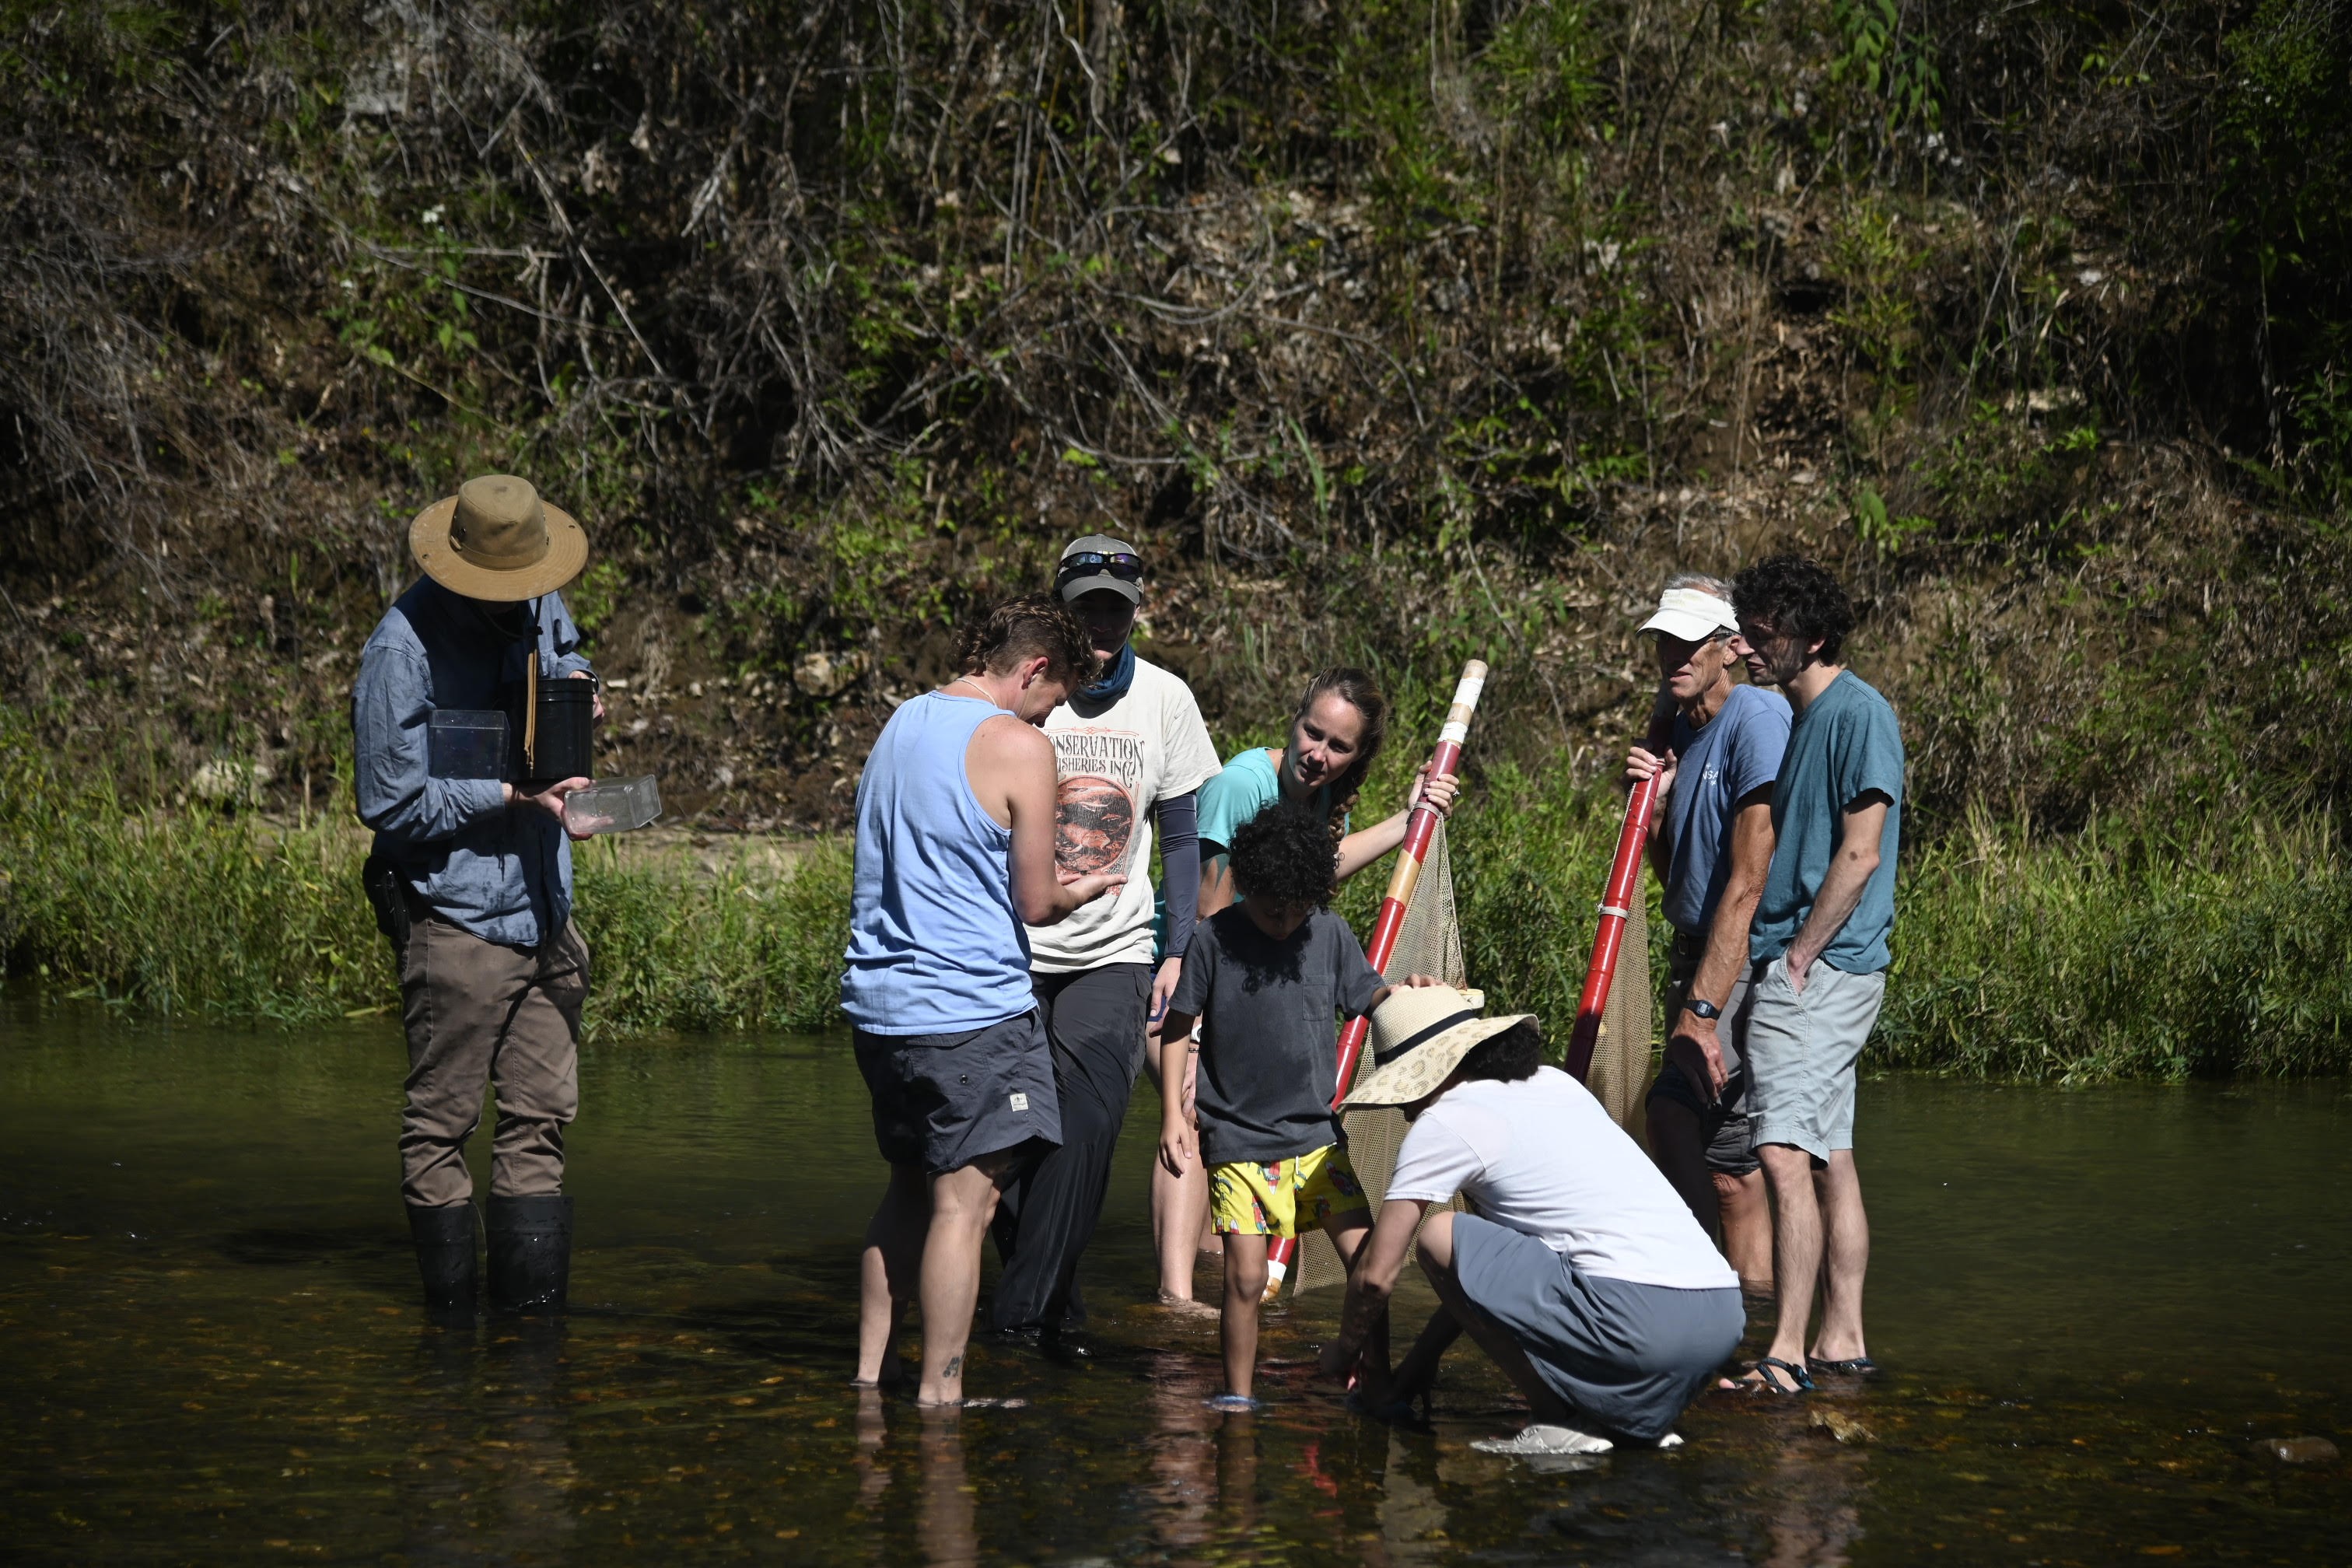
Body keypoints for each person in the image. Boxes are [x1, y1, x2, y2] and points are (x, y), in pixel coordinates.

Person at [843, 593, 1125, 1406]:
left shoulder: (903, 721)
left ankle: (872, 1377)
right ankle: (942, 1395)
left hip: (880, 1010)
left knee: (906, 1189)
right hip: (967, 1012)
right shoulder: (1019, 744)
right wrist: (1083, 890)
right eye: (1056, 697)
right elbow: (1035, 903)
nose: (1052, 716)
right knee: (965, 1207)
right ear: (1035, 669)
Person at [352, 474, 600, 1319]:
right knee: (441, 1128)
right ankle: (450, 1340)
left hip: (545, 915)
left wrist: (580, 690)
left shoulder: (540, 596)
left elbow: (567, 652)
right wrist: (506, 795)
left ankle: (530, 1344)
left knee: (541, 1123)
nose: (525, 596)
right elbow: (387, 802)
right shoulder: (400, 651)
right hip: (455, 918)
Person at [1148, 667, 1461, 1305]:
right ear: (1294, 721)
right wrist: (1204, 1041)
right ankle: (1175, 1302)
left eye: (1338, 746)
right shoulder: (1243, 785)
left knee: (1234, 1170)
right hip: (1179, 978)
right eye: (1312, 733)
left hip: (1254, 978)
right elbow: (1209, 922)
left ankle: (1218, 1287)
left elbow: (1305, 879)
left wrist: (1409, 820)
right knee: (1196, 1113)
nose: (1318, 754)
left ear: (1357, 756)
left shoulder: (1319, 796)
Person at [1321, 985, 1744, 1455]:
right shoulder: (1555, 1083)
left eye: (1403, 1089)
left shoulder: (1444, 1122)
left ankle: (1557, 1417)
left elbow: (1376, 1277)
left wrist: (1345, 1351)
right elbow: (1479, 1284)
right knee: (1488, 1248)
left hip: (1639, 1323)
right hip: (1719, 1318)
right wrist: (1418, 1367)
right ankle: (1628, 1420)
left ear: (1431, 1073)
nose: (1402, 1111)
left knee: (1438, 1234)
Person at [988, 536, 1220, 1348]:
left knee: (1085, 1133)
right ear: (1059, 608)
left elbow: (1182, 838)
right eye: (1086, 606)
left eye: (1115, 608)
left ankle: (1019, 1320)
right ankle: (1054, 1306)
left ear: (1135, 612)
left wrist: (1179, 950)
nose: (1101, 622)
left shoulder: (1165, 699)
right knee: (1010, 1142)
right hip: (1011, 950)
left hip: (1114, 952)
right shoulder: (1026, 689)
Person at [1155, 803, 1436, 1407]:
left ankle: (1376, 1381)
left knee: (1368, 1263)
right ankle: (1237, 1400)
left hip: (1316, 1139)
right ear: (1248, 888)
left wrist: (1406, 991)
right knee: (1246, 1278)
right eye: (1270, 910)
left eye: (1296, 909)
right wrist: (1174, 1115)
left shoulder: (1327, 933)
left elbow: (1372, 997)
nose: (1283, 922)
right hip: (1237, 1140)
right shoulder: (1213, 939)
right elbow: (1178, 1025)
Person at [1718, 555, 1904, 1395]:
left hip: (1819, 970)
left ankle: (1786, 1354)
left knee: (1781, 1154)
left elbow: (1861, 854)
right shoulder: (1808, 716)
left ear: (1814, 638)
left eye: (1763, 636)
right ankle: (1841, 1340)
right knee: (1830, 1156)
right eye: (1746, 632)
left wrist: (1797, 957)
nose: (1746, 649)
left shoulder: (1859, 714)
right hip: (1824, 970)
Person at [1623, 573, 1789, 1292]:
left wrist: (1702, 1012)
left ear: (1729, 647)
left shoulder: (1756, 716)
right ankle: (1751, 1321)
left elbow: (1751, 882)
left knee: (1668, 1111)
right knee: (1729, 1173)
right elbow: (1679, 880)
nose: (1674, 654)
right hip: (1694, 953)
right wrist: (1655, 810)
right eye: (1665, 640)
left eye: (1690, 641)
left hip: (1739, 962)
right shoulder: (1685, 734)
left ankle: (1694, 1291)